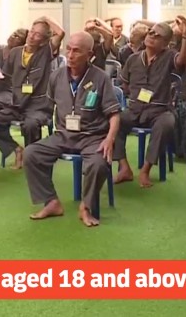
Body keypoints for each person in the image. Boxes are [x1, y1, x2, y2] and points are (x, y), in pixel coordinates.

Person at [22, 31, 121, 227]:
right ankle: (51, 201)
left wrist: (109, 139)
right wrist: (33, 119)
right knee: (31, 153)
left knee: (99, 163)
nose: (70, 55)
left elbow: (114, 114)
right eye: (68, 49)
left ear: (89, 54)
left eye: (76, 51)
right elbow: (46, 108)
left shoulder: (100, 78)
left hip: (92, 136)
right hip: (63, 135)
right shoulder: (56, 76)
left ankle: (86, 207)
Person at [114, 16, 186, 188]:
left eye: (158, 35)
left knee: (166, 124)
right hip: (135, 109)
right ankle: (124, 167)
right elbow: (124, 83)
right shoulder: (133, 59)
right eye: (151, 32)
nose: (152, 36)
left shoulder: (169, 56)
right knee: (115, 121)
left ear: (165, 44)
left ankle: (146, 170)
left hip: (159, 110)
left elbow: (182, 60)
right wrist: (134, 95)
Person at [0, 17, 65, 169]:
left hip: (38, 107)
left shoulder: (45, 52)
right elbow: (7, 76)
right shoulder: (15, 53)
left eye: (37, 34)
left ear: (44, 40)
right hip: (17, 105)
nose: (32, 36)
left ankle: (31, 157)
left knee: (30, 124)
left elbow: (60, 33)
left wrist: (45, 18)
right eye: (32, 31)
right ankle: (16, 149)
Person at [0, 28, 28, 113]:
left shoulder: (20, 58)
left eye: (18, 37)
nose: (13, 37)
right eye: (14, 34)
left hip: (6, 90)